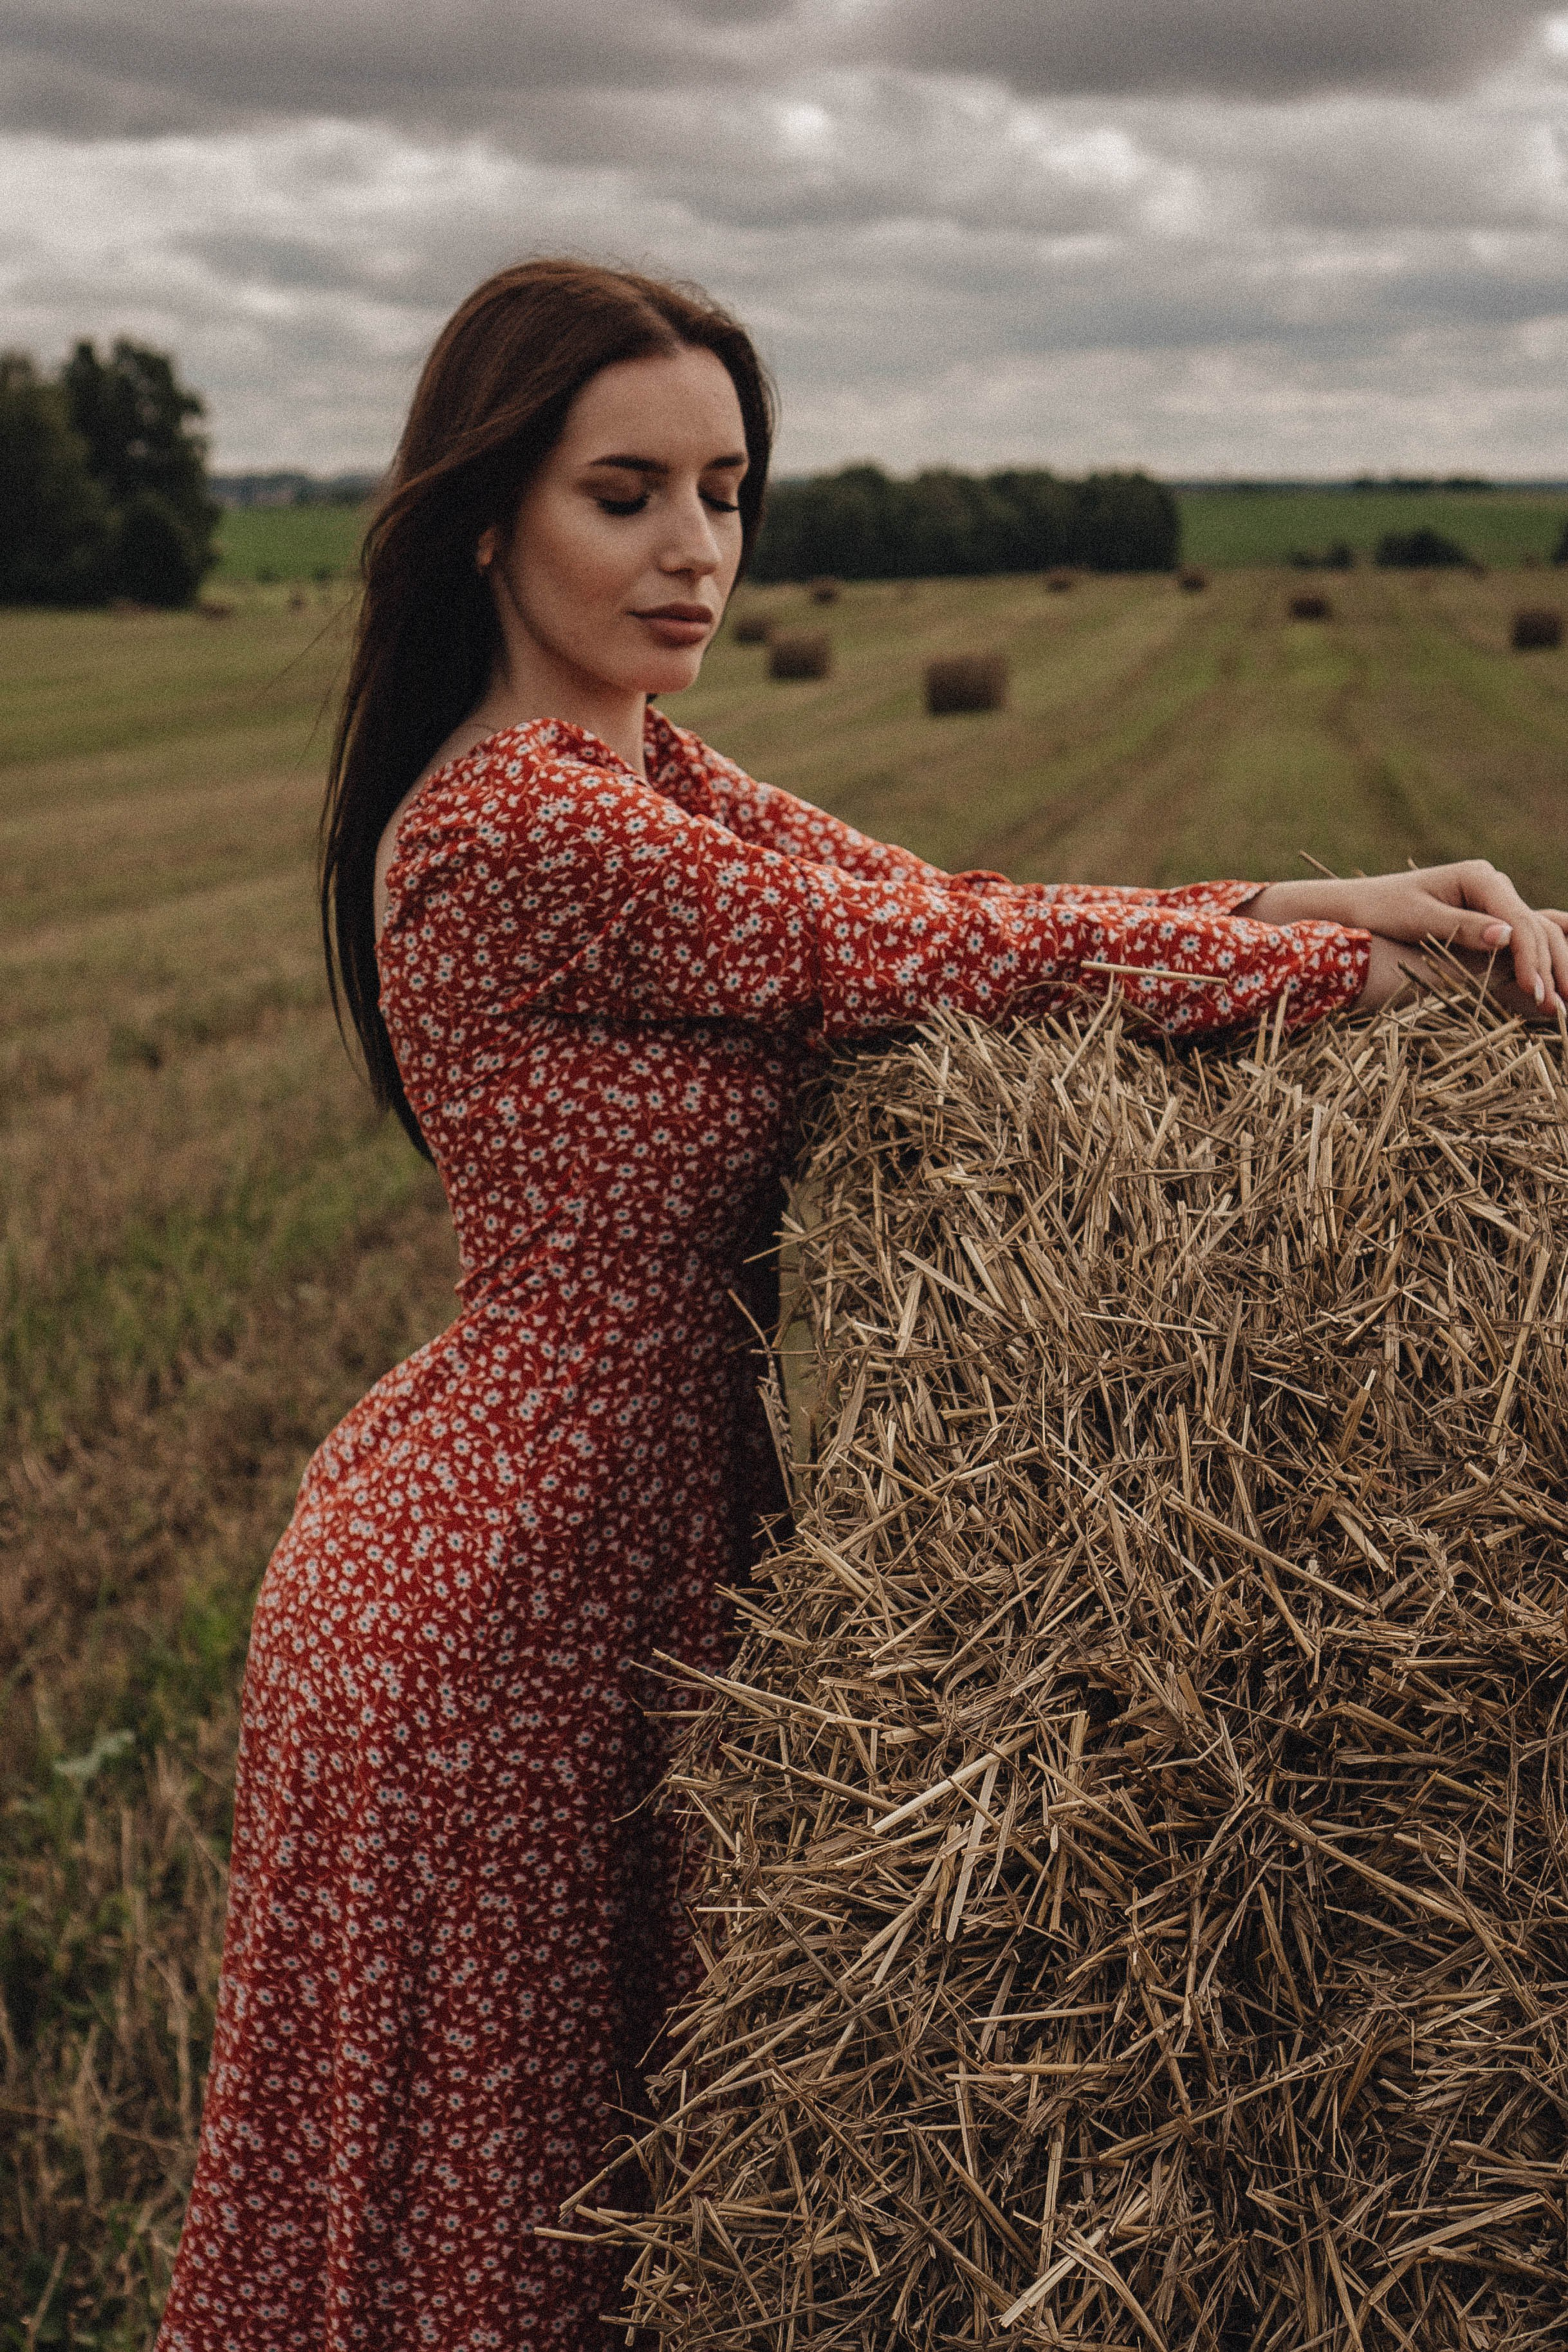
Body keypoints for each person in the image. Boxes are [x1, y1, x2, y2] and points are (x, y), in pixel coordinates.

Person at [156, 259, 1568, 2352]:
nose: (697, 550)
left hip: (619, 1539)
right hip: (499, 1592)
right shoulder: (527, 819)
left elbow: (938, 904)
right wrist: (1335, 977)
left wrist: (1314, 903)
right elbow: (901, 969)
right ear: (485, 522)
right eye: (625, 494)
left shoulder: (648, 771)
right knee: (506, 2234)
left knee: (606, 2210)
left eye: (726, 493)